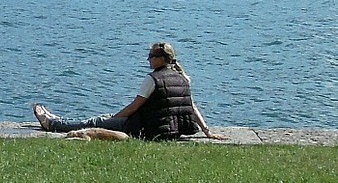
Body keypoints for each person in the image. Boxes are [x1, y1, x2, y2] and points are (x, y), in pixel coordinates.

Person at [32, 41, 226, 141]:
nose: (148, 59)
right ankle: (57, 119)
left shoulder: (153, 79)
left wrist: (112, 120)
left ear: (160, 59)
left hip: (149, 129)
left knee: (96, 121)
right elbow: (192, 108)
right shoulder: (183, 78)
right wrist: (207, 132)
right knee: (105, 119)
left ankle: (52, 124)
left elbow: (134, 107)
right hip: (172, 131)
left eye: (151, 56)